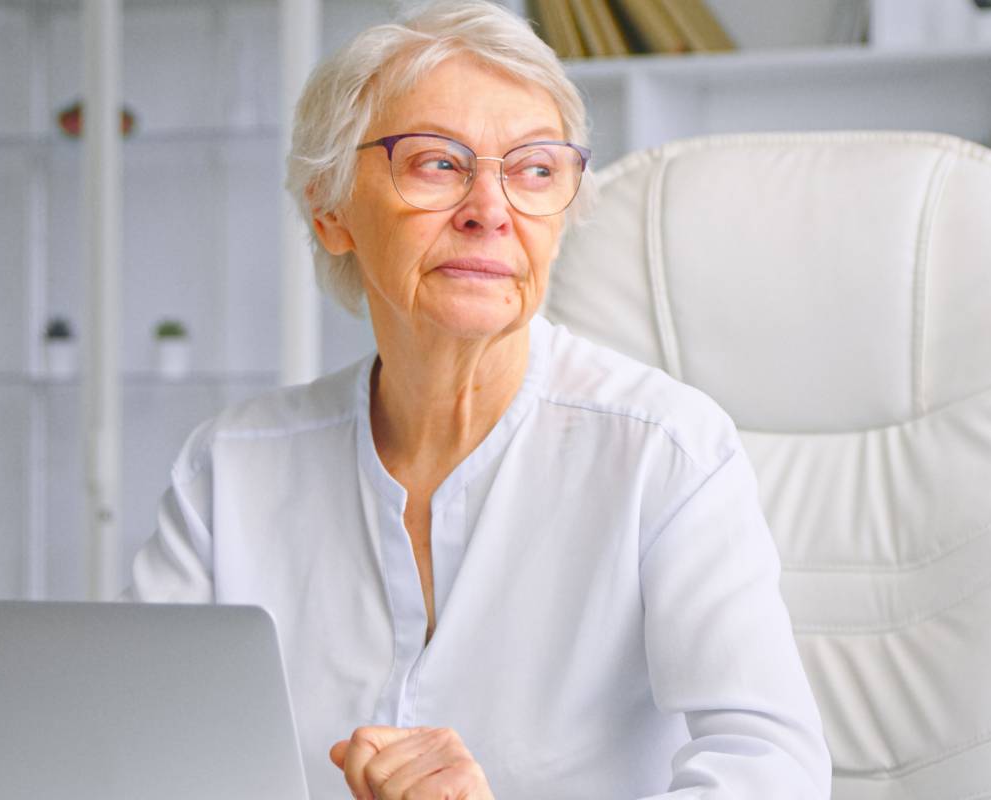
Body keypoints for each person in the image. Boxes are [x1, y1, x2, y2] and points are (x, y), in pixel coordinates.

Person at [124, 1, 829, 797]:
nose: (490, 211)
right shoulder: (229, 472)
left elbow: (772, 770)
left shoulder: (664, 450)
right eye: (436, 163)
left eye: (534, 170)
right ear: (331, 212)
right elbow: (133, 753)